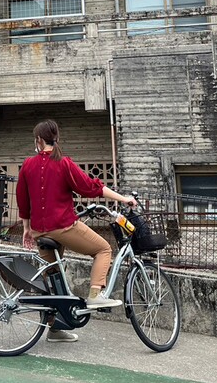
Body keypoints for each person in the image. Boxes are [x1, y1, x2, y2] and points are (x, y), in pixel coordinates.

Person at [16, 119, 137, 343]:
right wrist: (123, 199)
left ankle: (55, 329)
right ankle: (95, 295)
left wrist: (26, 228)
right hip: (62, 226)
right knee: (103, 249)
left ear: (39, 140)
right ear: (55, 138)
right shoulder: (63, 163)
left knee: (53, 279)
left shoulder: (28, 164)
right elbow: (90, 187)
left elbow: (22, 199)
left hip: (39, 230)